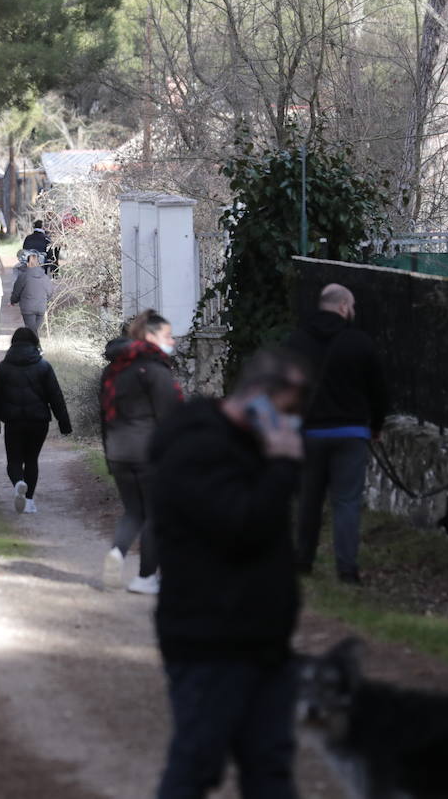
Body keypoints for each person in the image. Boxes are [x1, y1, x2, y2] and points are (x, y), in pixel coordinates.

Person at [149, 348, 309, 798]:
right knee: (197, 764)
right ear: (257, 397)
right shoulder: (196, 450)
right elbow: (242, 526)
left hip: (263, 641)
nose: (292, 423)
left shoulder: (250, 444)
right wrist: (281, 465)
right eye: (287, 411)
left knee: (271, 769)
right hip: (209, 641)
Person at [286, 283, 388, 585]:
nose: (353, 311)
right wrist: (377, 426)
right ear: (343, 306)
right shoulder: (360, 343)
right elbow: (378, 390)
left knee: (308, 500)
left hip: (309, 433)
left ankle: (303, 561)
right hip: (351, 432)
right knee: (346, 502)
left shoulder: (296, 343)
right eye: (352, 306)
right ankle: (347, 569)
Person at [100, 310, 184, 594]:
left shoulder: (113, 369)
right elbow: (171, 417)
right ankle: (146, 577)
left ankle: (117, 554)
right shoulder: (156, 370)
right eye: (168, 336)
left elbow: (105, 415)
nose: (172, 341)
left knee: (134, 512)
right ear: (150, 337)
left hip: (118, 449)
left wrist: (108, 453)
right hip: (150, 452)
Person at [0, 327, 71, 513]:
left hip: (13, 422)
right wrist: (64, 424)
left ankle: (18, 483)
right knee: (32, 460)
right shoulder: (44, 366)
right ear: (35, 343)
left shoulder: (2, 368)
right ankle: (30, 501)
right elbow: (55, 396)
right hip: (38, 421)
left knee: (14, 461)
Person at [10, 252, 53, 335]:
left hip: (28, 308)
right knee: (34, 331)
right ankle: (36, 347)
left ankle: (36, 347)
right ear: (39, 264)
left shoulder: (23, 276)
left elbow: (16, 292)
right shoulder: (45, 277)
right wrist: (44, 301)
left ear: (27, 263)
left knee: (31, 331)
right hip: (41, 307)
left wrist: (13, 301)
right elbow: (50, 292)